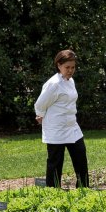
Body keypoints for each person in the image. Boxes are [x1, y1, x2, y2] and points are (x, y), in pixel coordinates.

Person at [34, 49, 89, 188]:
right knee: (55, 163)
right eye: (67, 67)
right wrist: (40, 115)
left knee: (81, 158)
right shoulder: (54, 84)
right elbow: (40, 104)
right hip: (56, 129)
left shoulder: (70, 81)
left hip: (72, 127)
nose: (70, 70)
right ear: (59, 65)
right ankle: (53, 193)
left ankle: (84, 190)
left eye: (73, 67)